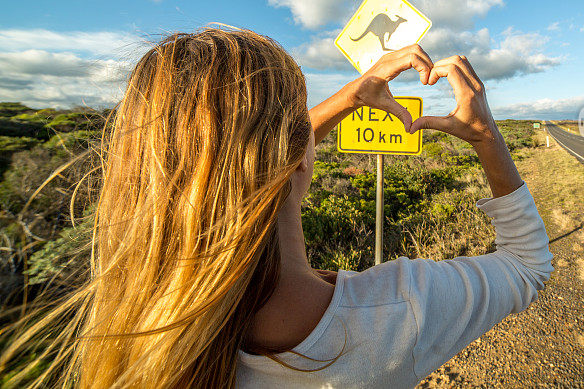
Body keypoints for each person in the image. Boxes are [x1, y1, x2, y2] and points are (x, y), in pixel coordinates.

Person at [1, 26, 553, 388]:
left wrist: (345, 99)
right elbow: (528, 266)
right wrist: (485, 137)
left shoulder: (131, 340)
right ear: (300, 159)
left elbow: (240, 168)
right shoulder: (394, 315)